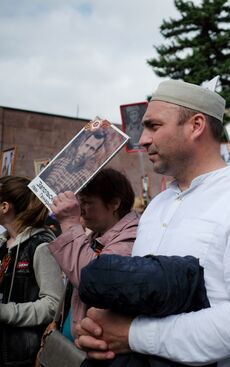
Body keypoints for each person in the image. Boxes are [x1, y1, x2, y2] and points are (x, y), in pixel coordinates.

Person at [74, 79, 230, 367]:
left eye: (154, 126)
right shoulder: (158, 205)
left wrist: (133, 335)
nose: (143, 139)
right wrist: (100, 333)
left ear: (196, 125)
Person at [48, 168, 139, 339]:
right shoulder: (96, 234)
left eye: (87, 202)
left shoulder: (130, 238)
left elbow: (92, 280)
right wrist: (57, 321)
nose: (81, 211)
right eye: (79, 202)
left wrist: (69, 222)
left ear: (114, 204)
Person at [0, 176, 64, 366]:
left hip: (23, 354)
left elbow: (53, 305)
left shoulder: (40, 245)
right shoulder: (5, 244)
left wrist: (6, 312)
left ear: (4, 207)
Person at [40, 129, 107, 194]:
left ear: (94, 154)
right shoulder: (61, 161)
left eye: (92, 149)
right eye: (86, 145)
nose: (85, 151)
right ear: (81, 145)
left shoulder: (85, 177)